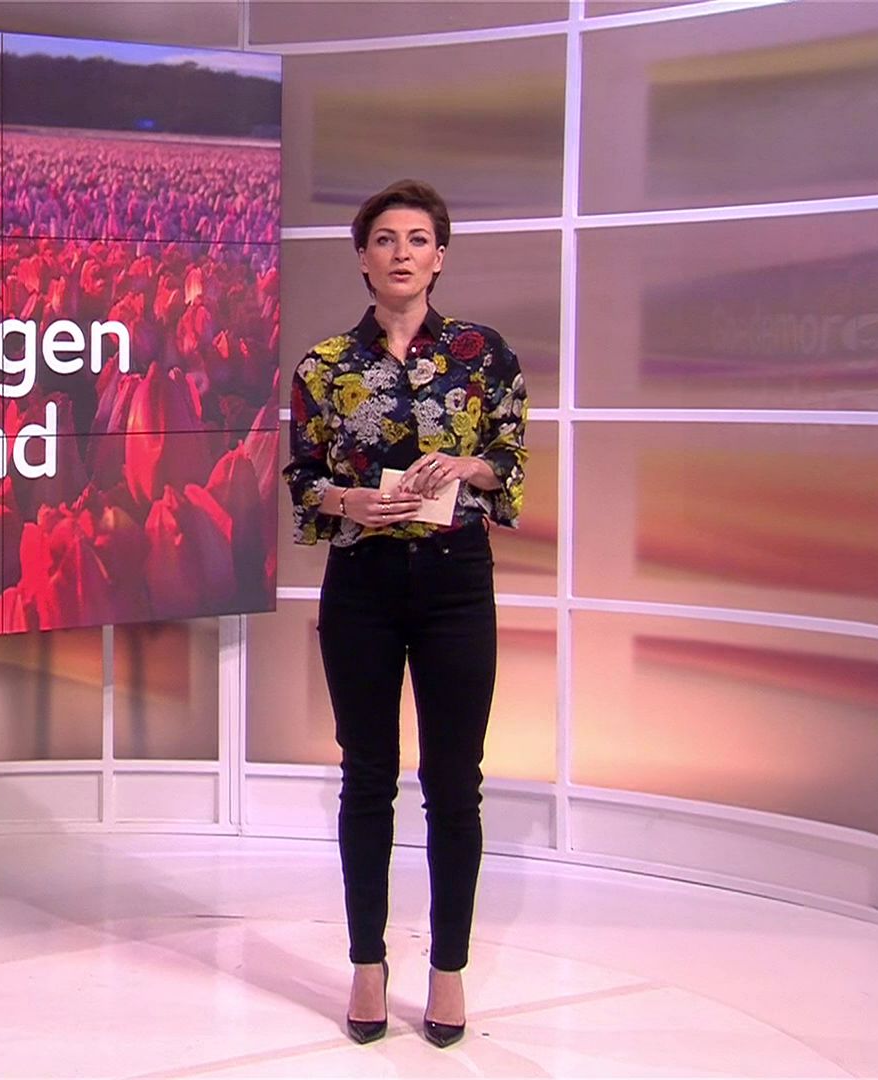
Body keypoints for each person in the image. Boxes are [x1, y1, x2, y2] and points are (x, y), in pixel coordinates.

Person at [282, 179, 528, 1049]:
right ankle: (366, 964)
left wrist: (468, 468)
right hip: (363, 585)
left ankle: (448, 969)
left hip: (456, 583)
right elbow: (302, 477)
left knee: (455, 783)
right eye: (385, 239)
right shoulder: (324, 366)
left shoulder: (483, 354)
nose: (401, 253)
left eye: (417, 239)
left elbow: (511, 459)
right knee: (367, 778)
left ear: (439, 257)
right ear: (362, 257)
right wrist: (346, 500)